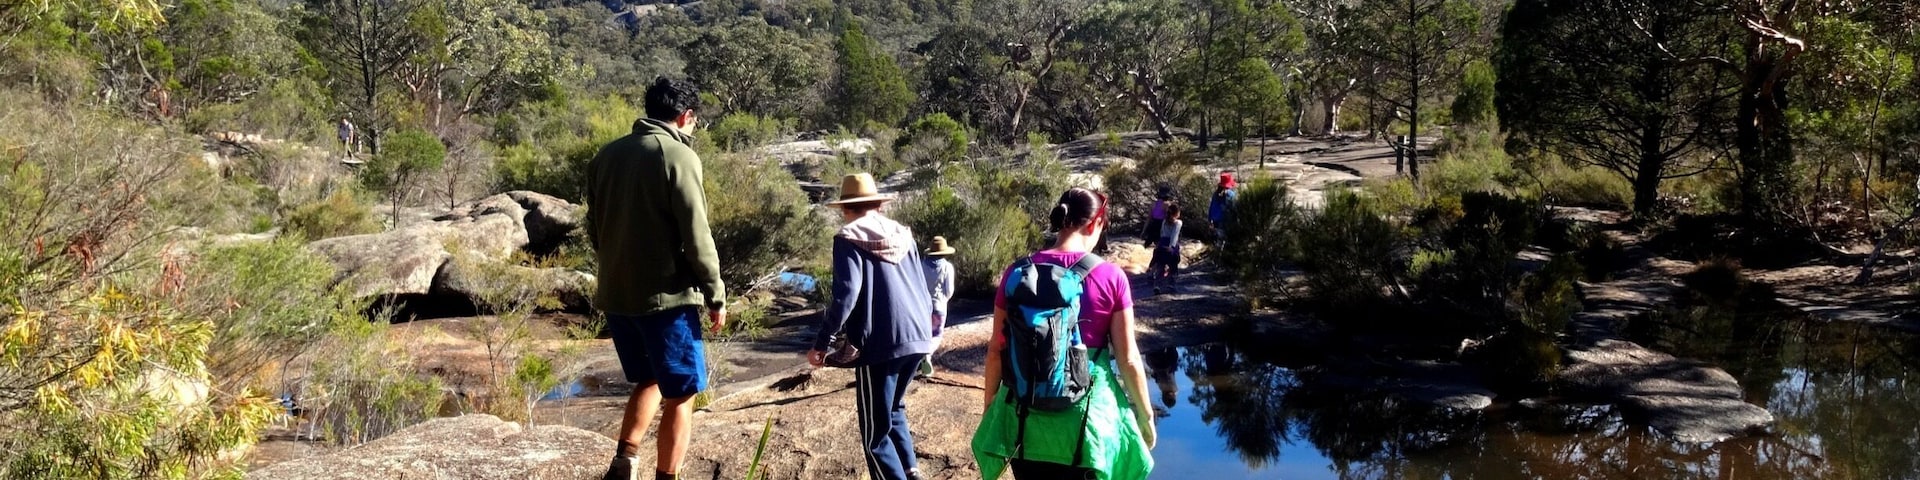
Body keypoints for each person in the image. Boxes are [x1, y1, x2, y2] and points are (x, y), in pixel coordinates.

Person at [584, 77, 726, 480]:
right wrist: (715, 293)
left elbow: (594, 229)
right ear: (687, 116)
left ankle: (624, 461)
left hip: (617, 295)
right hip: (667, 300)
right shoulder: (678, 155)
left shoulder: (607, 155)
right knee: (682, 393)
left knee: (649, 378)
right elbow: (697, 234)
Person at [973, 187, 1156, 480]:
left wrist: (990, 410)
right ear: (1096, 223)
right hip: (1086, 428)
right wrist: (1146, 416)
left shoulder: (1016, 272)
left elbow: (997, 348)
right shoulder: (1111, 276)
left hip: (1024, 424)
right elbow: (1129, 359)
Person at [809, 172, 937, 480]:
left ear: (845, 208)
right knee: (894, 409)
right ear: (878, 204)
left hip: (880, 344)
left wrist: (822, 343)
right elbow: (922, 288)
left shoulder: (848, 238)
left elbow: (846, 295)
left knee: (875, 436)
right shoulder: (903, 234)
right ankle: (912, 472)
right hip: (917, 337)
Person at [920, 236, 957, 378]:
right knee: (936, 335)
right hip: (939, 306)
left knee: (924, 334)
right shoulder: (947, 267)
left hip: (922, 306)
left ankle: (922, 357)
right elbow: (949, 291)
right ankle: (927, 354)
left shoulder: (922, 265)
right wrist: (943, 300)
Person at [1145, 204, 1183, 295]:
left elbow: (1162, 233)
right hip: (1171, 245)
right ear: (1177, 213)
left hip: (1162, 244)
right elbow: (1174, 235)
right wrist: (1171, 247)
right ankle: (1171, 284)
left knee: (1160, 265)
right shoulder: (1178, 223)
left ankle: (1157, 285)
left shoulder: (1164, 221)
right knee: (1173, 266)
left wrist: (1160, 245)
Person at [1208, 171, 1238, 246]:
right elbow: (1234, 209)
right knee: (1225, 241)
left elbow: (1211, 208)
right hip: (1224, 222)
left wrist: (1210, 221)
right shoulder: (1230, 195)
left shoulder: (1215, 194)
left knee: (1218, 241)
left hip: (1215, 222)